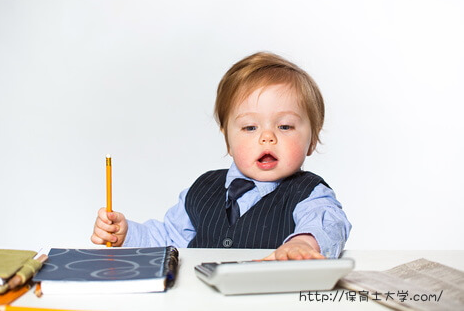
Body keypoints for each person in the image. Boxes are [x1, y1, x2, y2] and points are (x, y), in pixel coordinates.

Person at [91, 52, 351, 260]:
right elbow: (168, 238)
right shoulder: (203, 189)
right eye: (250, 127)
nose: (267, 137)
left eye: (285, 126)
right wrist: (125, 235)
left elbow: (327, 223)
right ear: (228, 138)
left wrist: (303, 243)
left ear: (312, 140)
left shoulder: (309, 194)